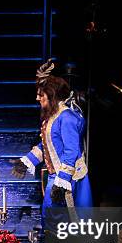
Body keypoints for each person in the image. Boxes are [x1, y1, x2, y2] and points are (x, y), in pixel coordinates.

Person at [11, 59, 93, 228]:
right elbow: (46, 145)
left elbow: (72, 151)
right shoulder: (53, 117)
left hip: (70, 179)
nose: (37, 98)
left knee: (64, 220)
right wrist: (26, 161)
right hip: (55, 177)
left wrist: (62, 182)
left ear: (52, 95)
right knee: (50, 217)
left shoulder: (67, 118)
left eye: (41, 94)